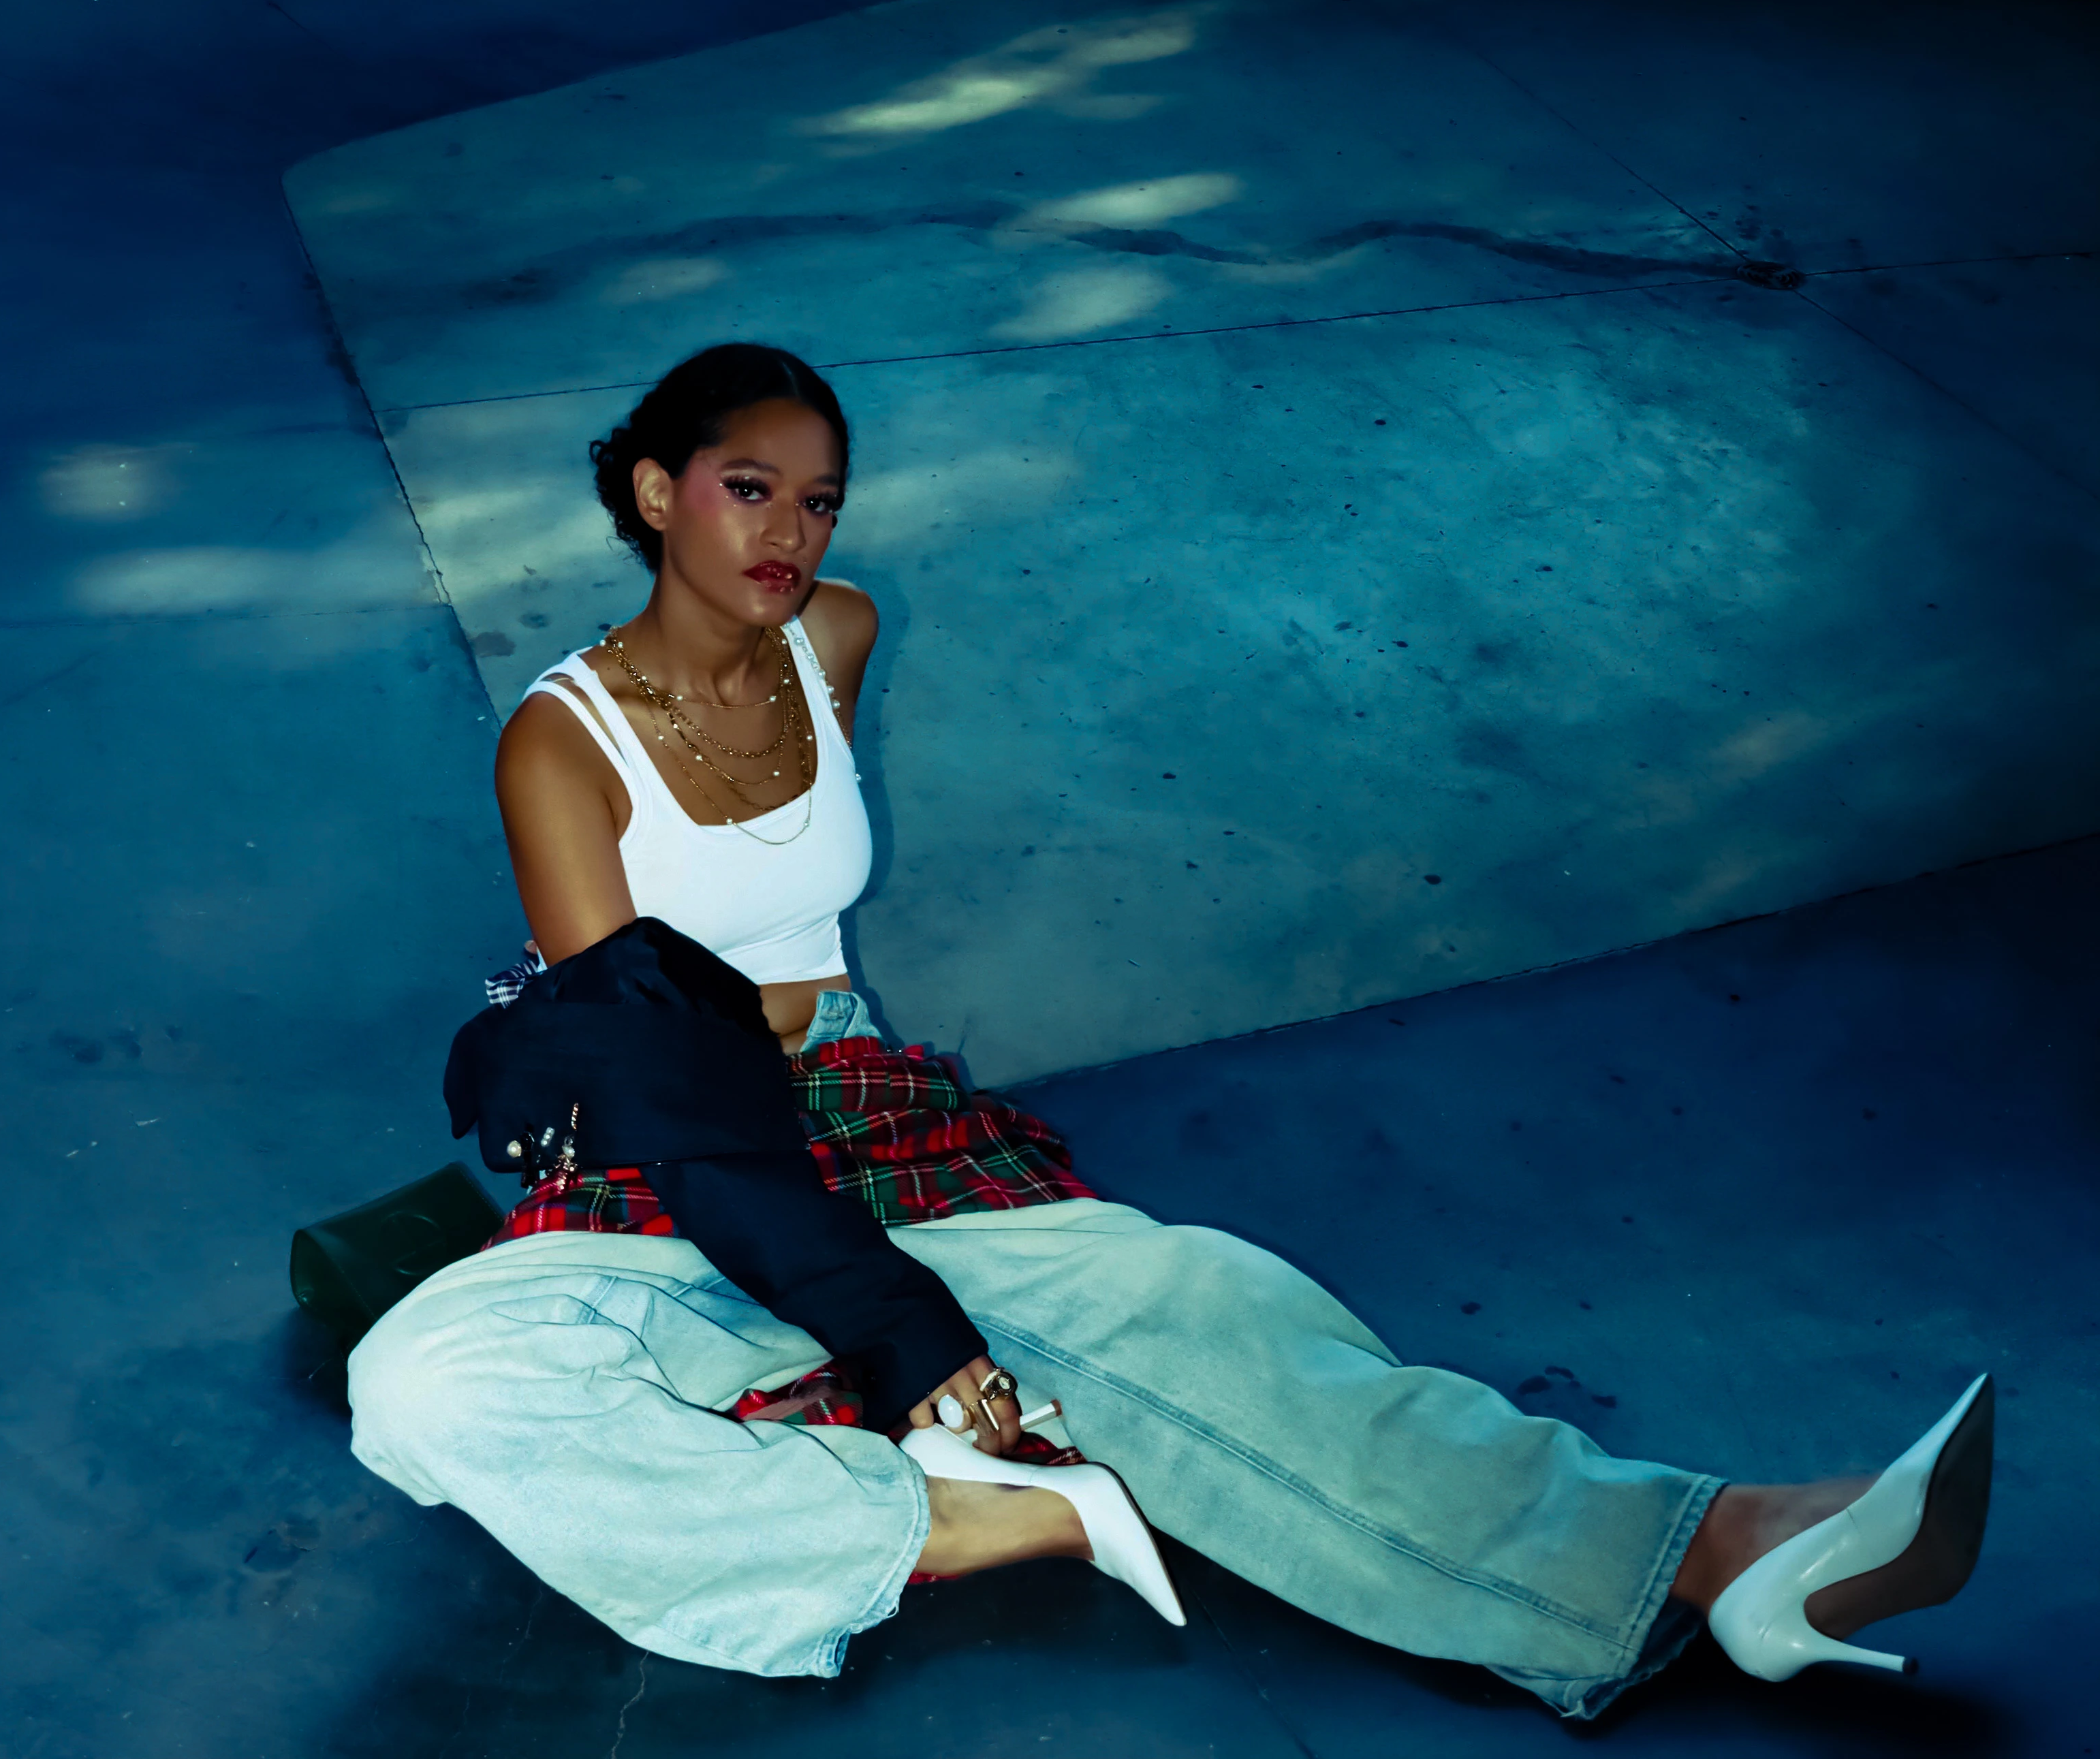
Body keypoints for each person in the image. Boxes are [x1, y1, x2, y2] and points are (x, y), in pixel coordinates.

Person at [349, 342, 1993, 1711]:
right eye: (748, 487)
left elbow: (802, 902)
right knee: (429, 1382)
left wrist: (915, 1285)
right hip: (676, 1153)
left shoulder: (830, 637)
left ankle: (1715, 1548)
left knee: (1207, 1308)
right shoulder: (555, 748)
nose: (791, 530)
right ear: (656, 493)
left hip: (862, 1104)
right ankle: (945, 1521)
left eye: (821, 496)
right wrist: (906, 1330)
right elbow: (659, 1079)